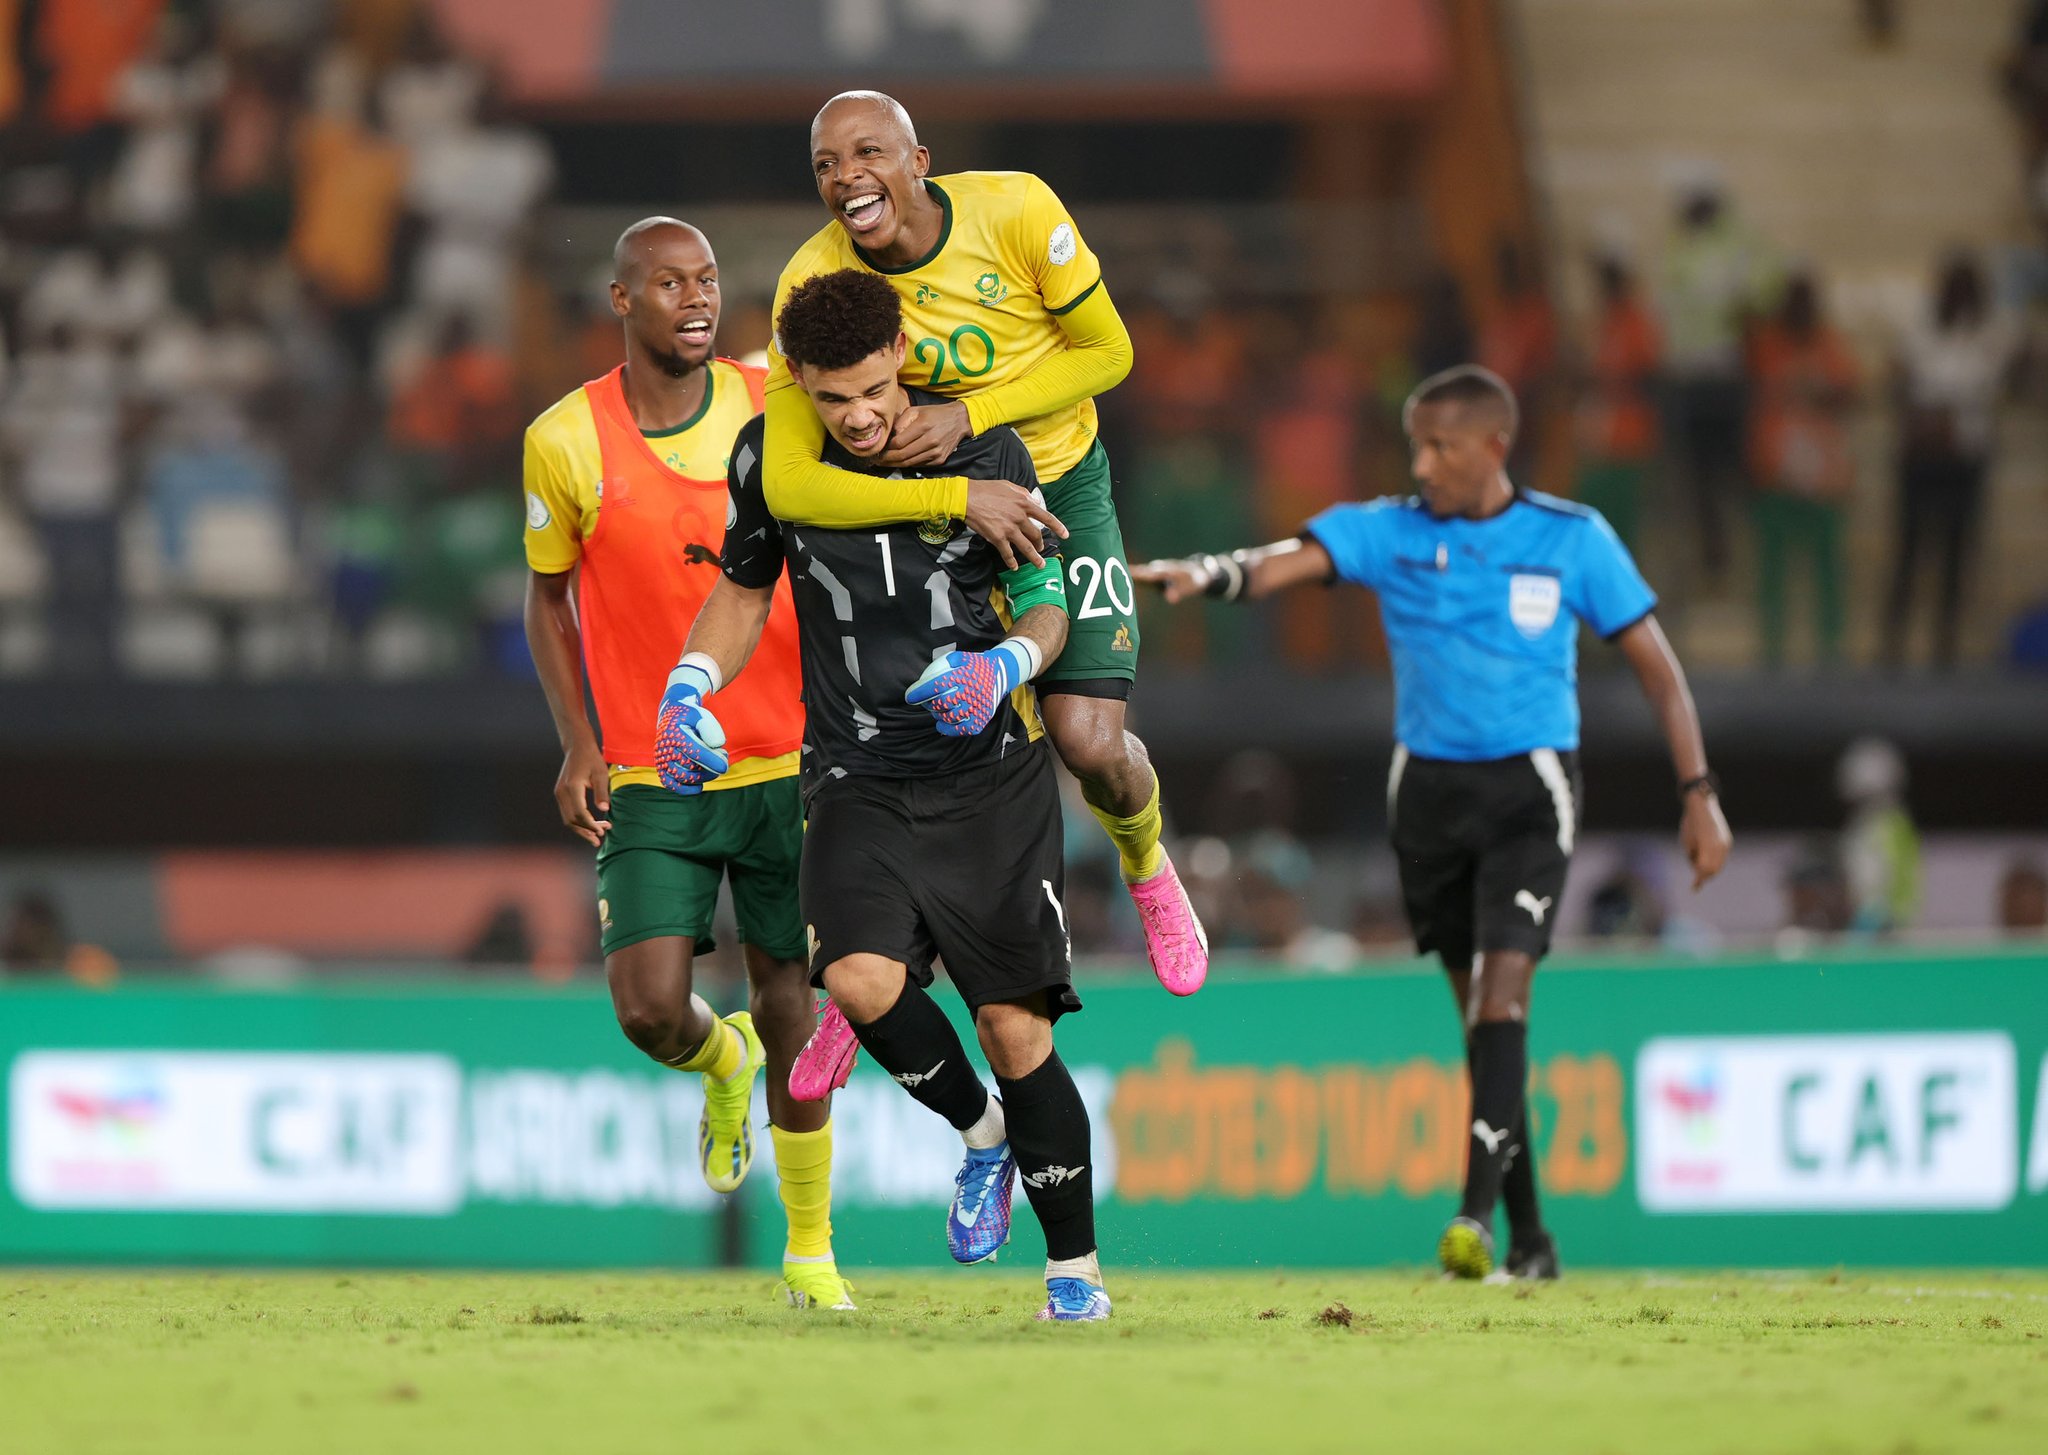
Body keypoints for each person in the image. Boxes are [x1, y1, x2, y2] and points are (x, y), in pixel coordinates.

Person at [1136, 365, 1732, 1281]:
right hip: (1427, 799)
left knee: (1503, 1002)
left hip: (1531, 792)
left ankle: (1473, 1222)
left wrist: (1698, 790)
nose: (1420, 465)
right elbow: (1281, 562)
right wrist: (1205, 574)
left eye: (1440, 447)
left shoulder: (1572, 537)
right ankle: (1533, 1240)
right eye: (1414, 445)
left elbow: (1659, 668)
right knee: (1482, 1025)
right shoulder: (1391, 532)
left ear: (1495, 446)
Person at [660, 269, 1110, 1322]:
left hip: (989, 776)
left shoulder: (985, 452)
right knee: (859, 983)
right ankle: (983, 1138)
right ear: (796, 382)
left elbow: (1045, 604)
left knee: (1014, 1031)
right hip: (854, 774)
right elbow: (742, 590)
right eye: (832, 398)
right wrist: (687, 686)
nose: (858, 416)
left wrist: (1003, 665)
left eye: (872, 389)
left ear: (902, 353)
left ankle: (1075, 1274)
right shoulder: (770, 461)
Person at [758, 90, 1207, 1013]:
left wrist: (971, 414)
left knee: (1087, 742)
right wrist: (956, 492)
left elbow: (1109, 351)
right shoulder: (813, 281)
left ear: (919, 161)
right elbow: (788, 480)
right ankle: (875, 958)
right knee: (916, 747)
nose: (847, 177)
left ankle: (1147, 862)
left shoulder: (1017, 209)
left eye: (868, 152)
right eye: (826, 165)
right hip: (936, 519)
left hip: (1058, 490)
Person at [520, 218, 849, 1311]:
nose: (697, 298)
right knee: (650, 1010)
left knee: (791, 996)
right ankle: (721, 1063)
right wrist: (577, 741)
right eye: (669, 283)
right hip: (652, 768)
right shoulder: (565, 439)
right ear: (622, 300)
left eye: (707, 279)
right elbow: (548, 599)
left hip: (789, 754)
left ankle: (811, 1252)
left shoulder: (773, 400)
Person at [1882, 251, 2020, 670]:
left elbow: (2003, 377)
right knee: (1910, 549)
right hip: (1923, 453)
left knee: (1957, 552)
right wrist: (1925, 415)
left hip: (1965, 453)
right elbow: (1899, 376)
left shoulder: (1992, 331)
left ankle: (1945, 643)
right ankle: (1893, 644)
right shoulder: (1921, 325)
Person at [1747, 270, 1859, 669]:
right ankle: (1772, 646)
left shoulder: (1828, 344)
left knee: (1827, 566)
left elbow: (1848, 391)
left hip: (1822, 476)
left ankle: (1830, 646)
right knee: (1773, 567)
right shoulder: (1767, 344)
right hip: (1776, 471)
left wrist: (1818, 390)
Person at [1572, 254, 1661, 552]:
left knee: (1624, 520)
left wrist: (1614, 385)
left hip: (1628, 436)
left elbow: (1647, 376)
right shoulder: (1599, 324)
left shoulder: (1636, 323)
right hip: (1598, 434)